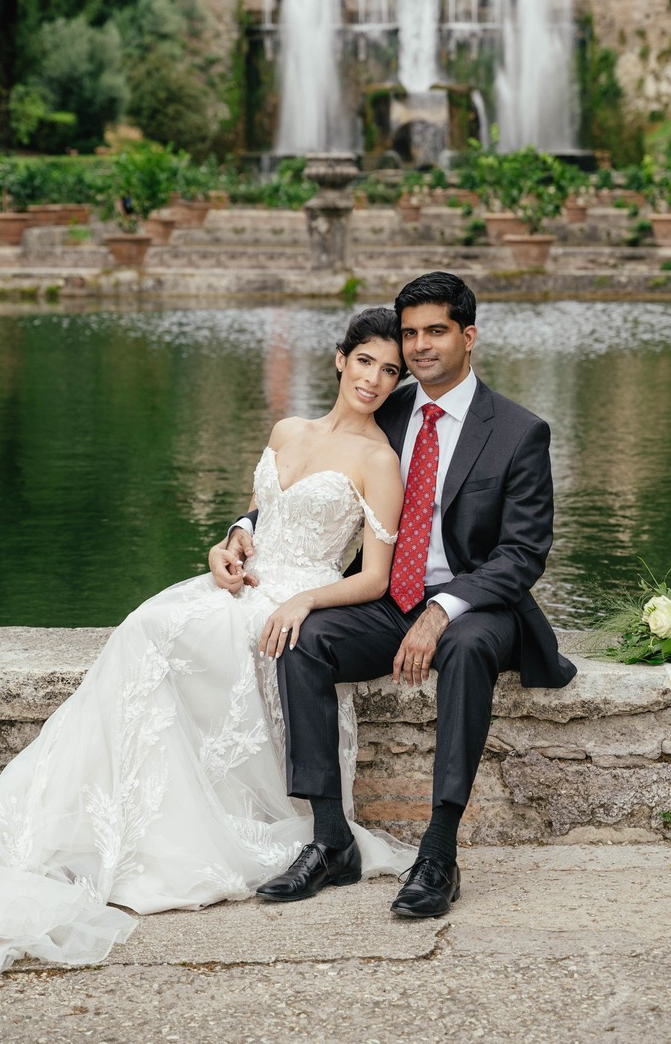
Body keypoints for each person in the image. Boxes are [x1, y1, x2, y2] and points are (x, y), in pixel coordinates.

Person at [0, 309, 408, 990]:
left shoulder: (379, 460)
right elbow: (262, 514)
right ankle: (94, 820)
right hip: (243, 582)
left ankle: (191, 831)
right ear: (340, 359)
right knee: (145, 625)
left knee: (184, 639)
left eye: (391, 370)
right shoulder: (288, 428)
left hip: (295, 601)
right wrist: (226, 543)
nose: (375, 378)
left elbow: (373, 576)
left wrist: (305, 600)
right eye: (366, 361)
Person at [216, 272, 576, 918]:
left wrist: (442, 610)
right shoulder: (388, 406)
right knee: (304, 638)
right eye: (409, 333)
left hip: (475, 604)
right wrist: (243, 530)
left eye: (435, 330)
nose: (418, 347)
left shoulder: (520, 432)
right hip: (390, 598)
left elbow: (523, 556)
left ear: (469, 336)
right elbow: (305, 474)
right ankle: (331, 842)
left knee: (465, 655)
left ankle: (439, 850)